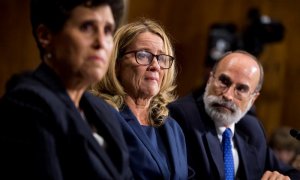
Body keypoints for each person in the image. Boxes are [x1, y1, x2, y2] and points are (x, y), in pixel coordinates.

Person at [0, 0, 133, 179]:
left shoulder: (104, 111)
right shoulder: (28, 105)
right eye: (87, 27)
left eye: (108, 30)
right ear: (45, 36)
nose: (101, 42)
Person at [168, 50, 300, 180]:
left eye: (241, 89)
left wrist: (284, 178)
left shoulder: (252, 128)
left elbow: (292, 173)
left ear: (253, 98)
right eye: (224, 81)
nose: (228, 95)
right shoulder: (179, 118)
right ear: (209, 80)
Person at [91, 18, 191, 179]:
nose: (156, 66)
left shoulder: (173, 128)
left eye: (161, 58)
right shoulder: (103, 119)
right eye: (143, 55)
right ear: (116, 64)